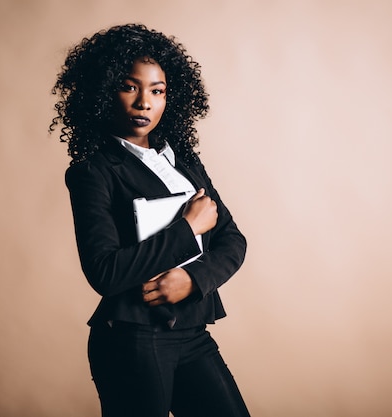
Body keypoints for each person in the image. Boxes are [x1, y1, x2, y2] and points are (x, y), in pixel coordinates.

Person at [50, 23, 250, 417]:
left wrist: (194, 280)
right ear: (103, 91)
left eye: (157, 91)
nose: (144, 102)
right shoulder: (94, 171)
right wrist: (186, 228)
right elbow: (104, 272)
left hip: (192, 333)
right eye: (130, 87)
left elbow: (233, 241)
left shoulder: (186, 162)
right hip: (131, 339)